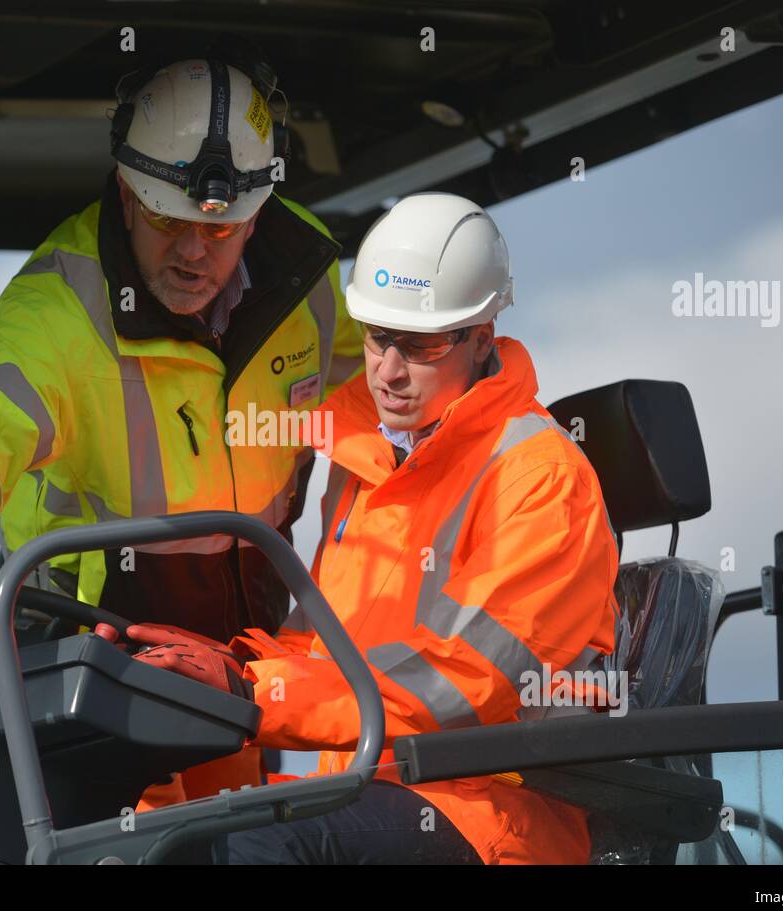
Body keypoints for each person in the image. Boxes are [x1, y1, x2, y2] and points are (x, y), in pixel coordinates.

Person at [0, 49, 364, 801]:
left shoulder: (309, 277)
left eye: (224, 228)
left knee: (240, 845)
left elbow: (405, 397)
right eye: (170, 221)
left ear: (258, 214)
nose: (196, 252)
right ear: (127, 192)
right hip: (94, 662)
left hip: (243, 661)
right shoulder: (61, 306)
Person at [104, 193, 621, 863]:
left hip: (492, 811)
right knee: (150, 823)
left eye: (422, 343)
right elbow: (324, 648)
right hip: (371, 786)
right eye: (378, 337)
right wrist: (216, 670)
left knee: (255, 847)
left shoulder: (542, 478)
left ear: (483, 338)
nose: (388, 369)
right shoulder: (369, 463)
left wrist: (253, 693)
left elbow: (465, 684)